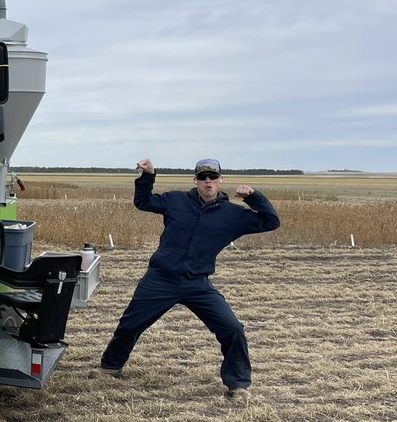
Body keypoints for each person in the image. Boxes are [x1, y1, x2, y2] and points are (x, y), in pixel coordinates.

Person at [97, 157, 280, 405]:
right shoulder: (175, 200)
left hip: (197, 284)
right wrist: (148, 176)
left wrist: (253, 196)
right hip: (161, 278)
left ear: (220, 181)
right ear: (195, 180)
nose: (207, 181)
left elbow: (271, 221)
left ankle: (237, 386)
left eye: (212, 177)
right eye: (202, 177)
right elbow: (143, 202)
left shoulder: (233, 214)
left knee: (232, 329)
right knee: (130, 325)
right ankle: (110, 367)